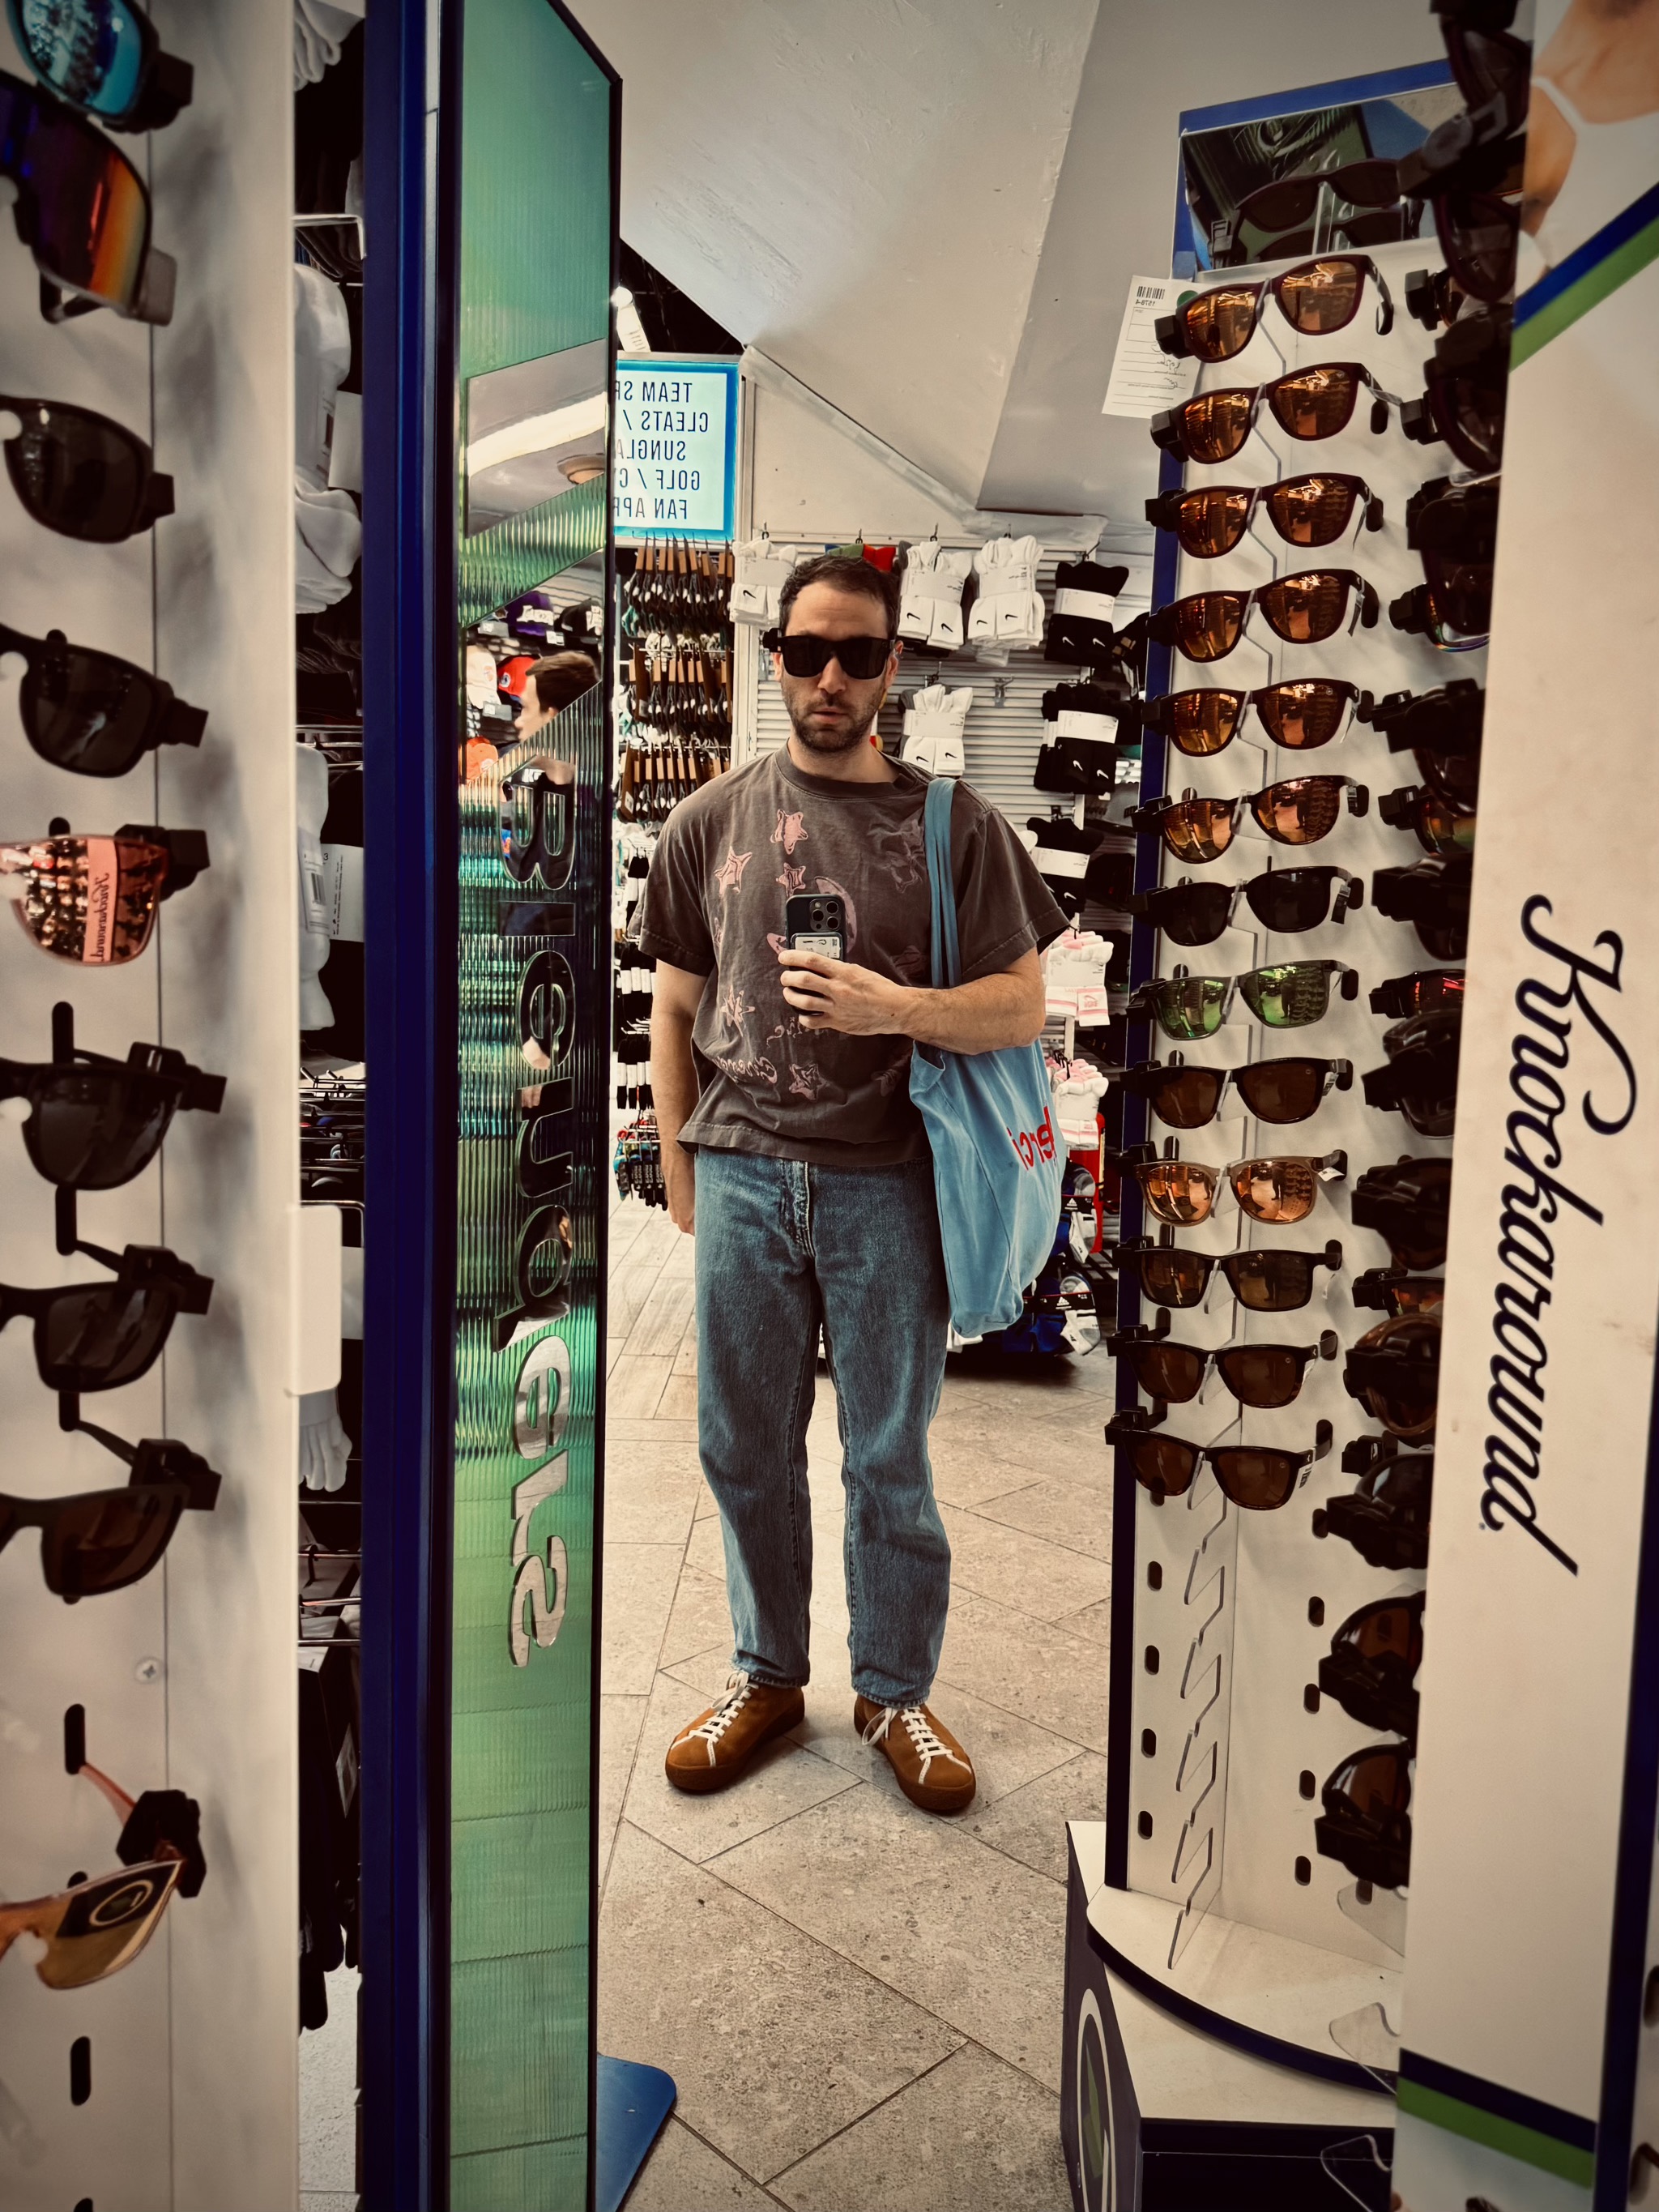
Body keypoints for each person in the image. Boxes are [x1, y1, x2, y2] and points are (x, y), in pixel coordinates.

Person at [634, 549, 1068, 1814]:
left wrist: (902, 1006)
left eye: (859, 654)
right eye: (807, 650)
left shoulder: (955, 826)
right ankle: (768, 1676)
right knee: (744, 1444)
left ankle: (894, 1690)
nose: (831, 676)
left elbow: (1021, 1006)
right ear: (773, 657)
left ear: (892, 666)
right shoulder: (706, 818)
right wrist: (676, 1160)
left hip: (892, 1184)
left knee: (890, 1453)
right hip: (746, 1175)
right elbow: (674, 1004)